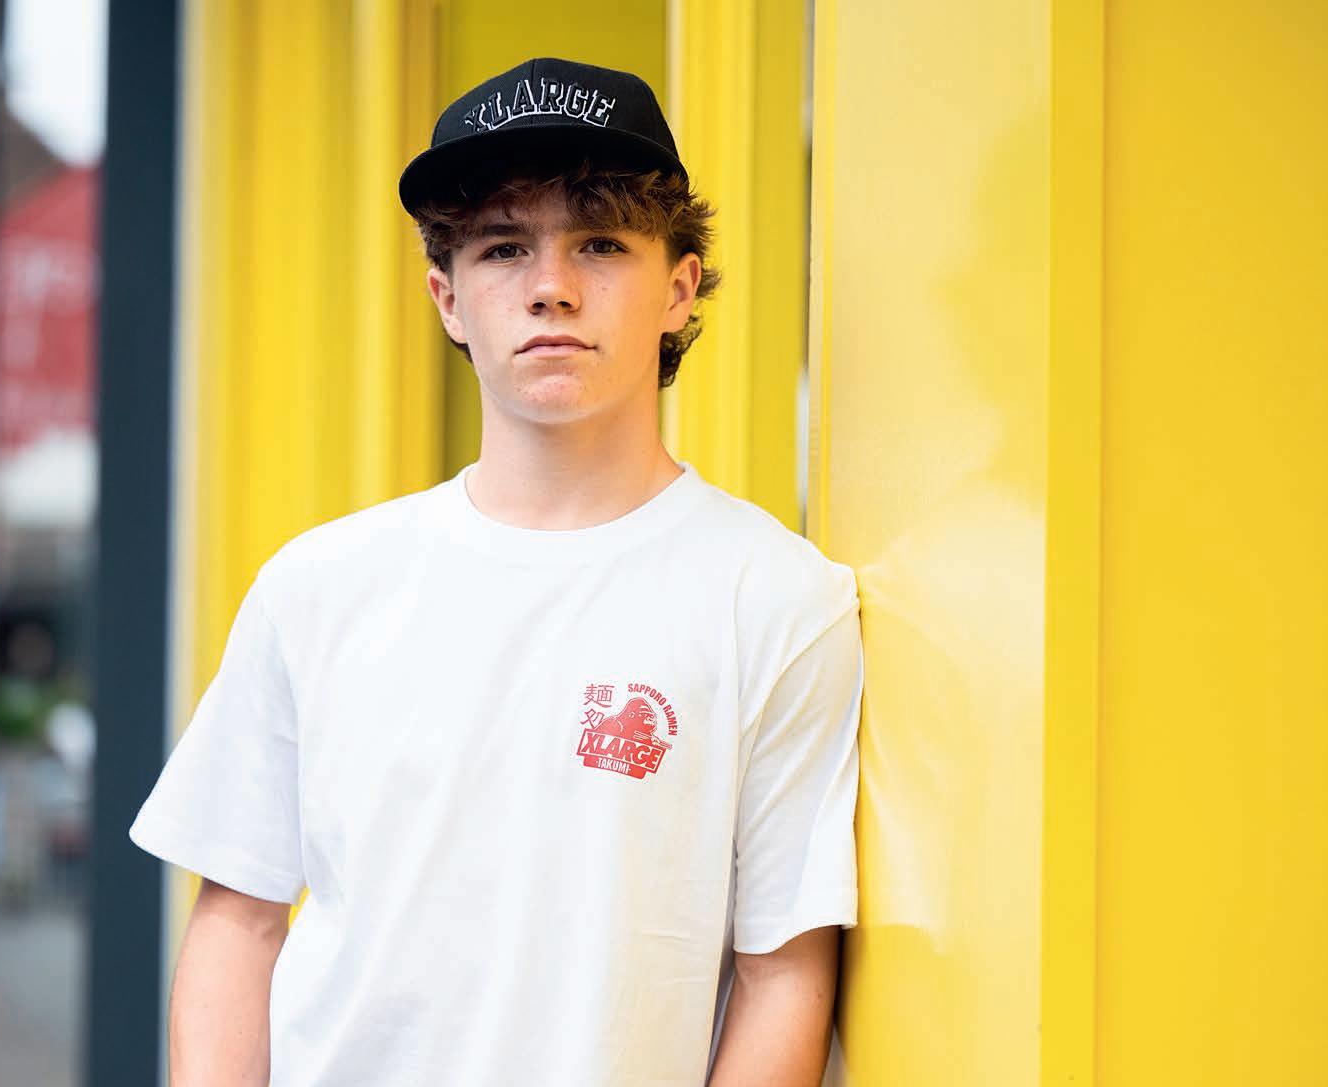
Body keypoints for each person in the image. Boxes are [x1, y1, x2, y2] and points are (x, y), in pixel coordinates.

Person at [129, 55, 865, 1087]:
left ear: (679, 288)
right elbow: (239, 922)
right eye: (504, 247)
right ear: (448, 298)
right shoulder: (319, 587)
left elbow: (783, 972)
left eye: (600, 243)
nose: (551, 286)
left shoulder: (777, 599)